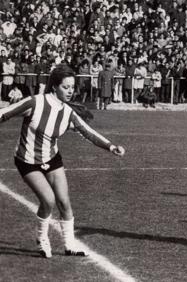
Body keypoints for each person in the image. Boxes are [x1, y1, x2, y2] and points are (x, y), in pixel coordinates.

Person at [0, 64, 125, 258]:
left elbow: (88, 132)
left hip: (52, 158)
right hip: (27, 160)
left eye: (72, 87)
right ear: (55, 87)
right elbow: (4, 114)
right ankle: (42, 238)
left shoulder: (68, 112)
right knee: (48, 200)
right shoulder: (35, 102)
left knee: (64, 202)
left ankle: (70, 245)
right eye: (65, 87)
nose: (70, 91)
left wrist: (111, 146)